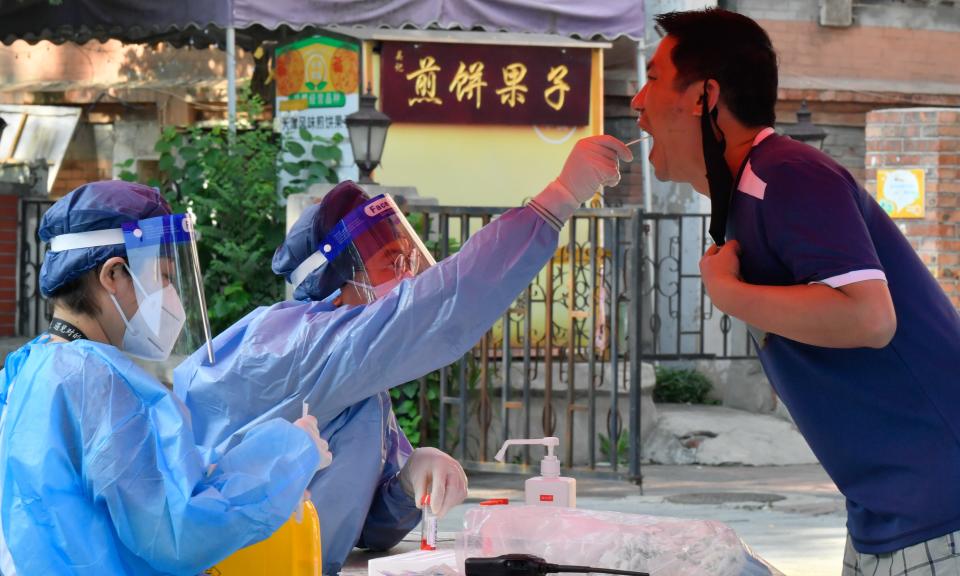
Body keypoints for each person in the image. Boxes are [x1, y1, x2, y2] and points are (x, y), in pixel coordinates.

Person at [174, 136, 632, 573]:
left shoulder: (355, 381)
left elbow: (367, 524)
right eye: (391, 261)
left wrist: (409, 478)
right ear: (339, 279)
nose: (410, 273)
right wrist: (558, 197)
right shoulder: (295, 345)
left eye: (407, 255)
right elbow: (447, 300)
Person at [631, 8, 960, 575]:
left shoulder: (786, 173)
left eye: (655, 78)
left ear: (705, 97)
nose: (637, 102)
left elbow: (869, 319)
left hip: (936, 507)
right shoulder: (747, 196)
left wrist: (729, 294)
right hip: (887, 512)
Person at [0, 181, 329, 575]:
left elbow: (153, 474)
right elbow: (179, 529)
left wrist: (252, 457)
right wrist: (292, 455)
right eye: (163, 276)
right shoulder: (95, 383)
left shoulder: (30, 366)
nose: (170, 295)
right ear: (114, 274)